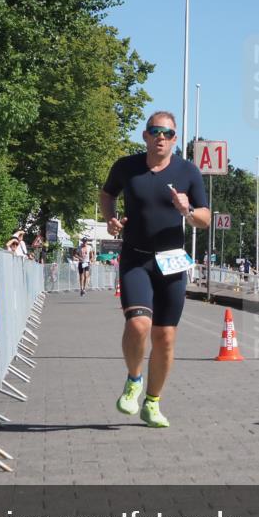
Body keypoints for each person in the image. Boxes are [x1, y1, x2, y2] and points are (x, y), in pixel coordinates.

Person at [100, 111, 210, 428]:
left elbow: (205, 218)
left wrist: (186, 210)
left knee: (165, 336)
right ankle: (134, 380)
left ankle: (152, 402)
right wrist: (111, 219)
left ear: (175, 139)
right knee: (138, 325)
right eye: (155, 131)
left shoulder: (188, 171)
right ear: (145, 135)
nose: (161, 137)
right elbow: (107, 194)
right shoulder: (126, 167)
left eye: (168, 133)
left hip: (172, 262)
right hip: (136, 258)